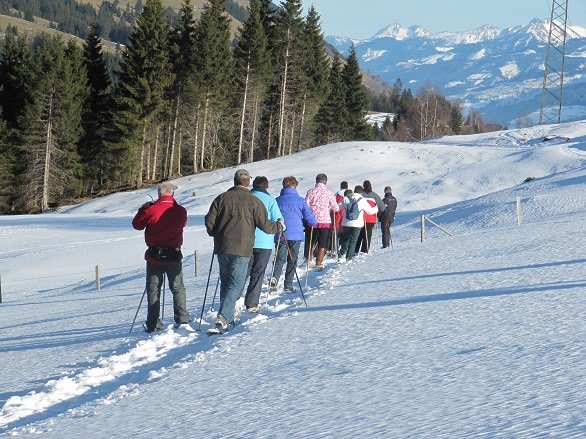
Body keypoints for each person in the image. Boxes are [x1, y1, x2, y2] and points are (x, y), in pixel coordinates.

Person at [205, 169, 282, 332]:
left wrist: (215, 233)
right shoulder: (253, 201)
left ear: (235, 181)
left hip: (222, 247)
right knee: (236, 283)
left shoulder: (221, 198)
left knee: (226, 282)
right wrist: (278, 227)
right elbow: (265, 225)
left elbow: (209, 221)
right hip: (242, 248)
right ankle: (224, 317)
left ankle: (227, 317)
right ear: (247, 182)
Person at [132, 181, 190, 333]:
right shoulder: (180, 211)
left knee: (153, 289)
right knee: (178, 288)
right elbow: (183, 224)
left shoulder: (152, 209)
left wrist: (143, 209)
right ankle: (182, 319)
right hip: (174, 254)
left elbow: (137, 224)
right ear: (172, 194)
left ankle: (153, 323)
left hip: (154, 255)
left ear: (159, 194)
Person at [244, 176, 284, 312]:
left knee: (243, 271)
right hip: (264, 242)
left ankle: (235, 298)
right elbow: (279, 221)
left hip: (245, 240)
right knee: (258, 273)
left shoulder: (246, 197)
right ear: (266, 186)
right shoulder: (270, 200)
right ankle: (251, 303)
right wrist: (280, 226)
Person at [271, 176, 317, 293]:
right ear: (295, 186)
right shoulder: (300, 200)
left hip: (281, 233)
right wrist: (312, 222)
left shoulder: (277, 200)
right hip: (296, 234)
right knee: (292, 259)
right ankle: (288, 284)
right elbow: (309, 217)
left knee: (279, 258)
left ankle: (274, 278)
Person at [305, 173, 339, 269]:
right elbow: (335, 208)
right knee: (322, 241)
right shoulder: (328, 192)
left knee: (311, 240)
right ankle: (319, 262)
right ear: (325, 182)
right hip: (325, 221)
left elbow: (306, 205)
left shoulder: (311, 192)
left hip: (312, 220)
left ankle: (308, 259)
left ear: (316, 181)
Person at [339, 185, 379, 261]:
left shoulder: (346, 198)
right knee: (353, 241)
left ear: (354, 190)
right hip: (357, 224)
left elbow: (338, 208)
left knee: (345, 238)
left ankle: (341, 254)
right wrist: (376, 208)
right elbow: (370, 211)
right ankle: (349, 257)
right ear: (361, 192)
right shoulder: (362, 200)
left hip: (346, 222)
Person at [356, 180, 385, 253]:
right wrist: (377, 215)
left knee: (358, 236)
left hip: (360, 218)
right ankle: (364, 251)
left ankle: (355, 251)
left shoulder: (360, 195)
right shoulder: (375, 195)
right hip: (371, 219)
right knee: (367, 236)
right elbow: (382, 208)